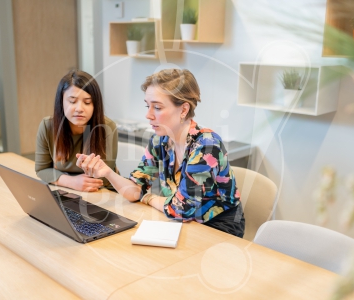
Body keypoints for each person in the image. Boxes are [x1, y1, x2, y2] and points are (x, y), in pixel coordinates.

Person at [76, 69, 245, 237]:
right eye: (147, 106)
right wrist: (107, 172)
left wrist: (148, 198)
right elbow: (135, 190)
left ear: (184, 110)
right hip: (181, 222)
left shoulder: (207, 146)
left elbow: (181, 209)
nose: (148, 115)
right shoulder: (160, 141)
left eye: (157, 107)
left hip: (219, 228)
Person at [35, 69, 118, 192]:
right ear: (61, 102)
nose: (79, 109)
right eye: (72, 101)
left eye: (87, 102)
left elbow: (104, 177)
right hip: (65, 190)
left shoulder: (107, 127)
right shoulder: (48, 126)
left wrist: (64, 179)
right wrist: (72, 182)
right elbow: (41, 170)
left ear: (95, 105)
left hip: (101, 192)